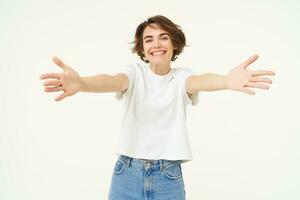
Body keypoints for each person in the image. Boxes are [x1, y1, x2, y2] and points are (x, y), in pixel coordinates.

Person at [40, 15, 275, 200]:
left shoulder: (183, 78)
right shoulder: (134, 73)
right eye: (148, 39)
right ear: (142, 49)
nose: (156, 44)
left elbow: (200, 81)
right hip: (126, 173)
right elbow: (113, 80)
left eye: (163, 37)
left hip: (167, 176)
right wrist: (81, 84)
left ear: (174, 43)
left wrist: (226, 81)